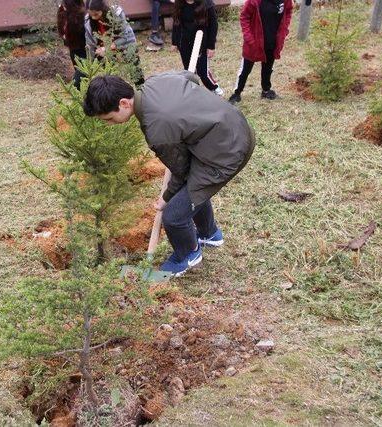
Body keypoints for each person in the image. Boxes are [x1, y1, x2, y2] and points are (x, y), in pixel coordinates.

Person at [83, 72, 255, 277]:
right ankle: (210, 234)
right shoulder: (156, 81)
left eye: (109, 118)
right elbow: (190, 77)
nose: (109, 124)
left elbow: (181, 173)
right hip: (233, 124)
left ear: (123, 103)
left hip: (227, 151)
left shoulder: (157, 128)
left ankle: (188, 254)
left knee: (173, 216)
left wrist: (166, 199)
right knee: (192, 190)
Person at [228, 0, 293, 104]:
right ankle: (237, 93)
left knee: (268, 67)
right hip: (254, 43)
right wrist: (249, 39)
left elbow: (288, 11)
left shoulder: (285, 1)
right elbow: (244, 17)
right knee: (245, 70)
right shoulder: (254, 1)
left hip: (273, 41)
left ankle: (266, 90)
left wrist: (284, 30)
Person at [85, 0, 145, 87]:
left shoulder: (116, 15)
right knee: (113, 79)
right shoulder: (89, 22)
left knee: (136, 73)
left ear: (103, 9)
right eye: (91, 15)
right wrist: (92, 58)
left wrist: (108, 47)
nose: (94, 17)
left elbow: (126, 36)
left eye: (96, 14)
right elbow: (90, 44)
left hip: (125, 48)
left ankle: (141, 90)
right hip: (108, 55)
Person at [171, 0, 222, 95]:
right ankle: (195, 93)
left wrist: (211, 46)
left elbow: (213, 25)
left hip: (201, 43)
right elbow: (176, 22)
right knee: (189, 72)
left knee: (203, 72)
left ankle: (214, 88)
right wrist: (174, 42)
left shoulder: (207, 4)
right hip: (184, 44)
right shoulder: (179, 3)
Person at [57, 0, 87, 88]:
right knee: (79, 74)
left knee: (78, 80)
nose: (63, 5)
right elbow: (62, 30)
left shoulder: (83, 16)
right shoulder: (62, 12)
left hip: (84, 50)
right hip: (73, 49)